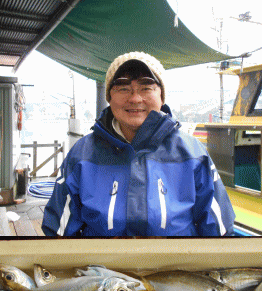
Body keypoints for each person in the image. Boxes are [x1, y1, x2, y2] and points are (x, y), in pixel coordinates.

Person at [42, 51, 235, 237]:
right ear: (109, 97)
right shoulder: (82, 155)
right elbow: (58, 232)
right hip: (102, 270)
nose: (135, 99)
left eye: (146, 87)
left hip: (176, 269)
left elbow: (220, 232)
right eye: (123, 88)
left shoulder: (193, 154)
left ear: (162, 97)